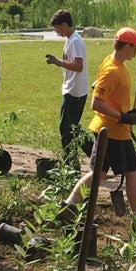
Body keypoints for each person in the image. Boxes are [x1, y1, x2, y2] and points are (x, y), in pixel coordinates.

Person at [63, 28, 136, 214]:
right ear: (127, 46)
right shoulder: (112, 69)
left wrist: (126, 114)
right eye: (135, 47)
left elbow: (98, 85)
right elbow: (96, 103)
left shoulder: (114, 62)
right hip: (113, 131)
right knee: (133, 173)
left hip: (109, 129)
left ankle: (69, 205)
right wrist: (121, 117)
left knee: (99, 174)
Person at [45, 9, 90, 161]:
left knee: (67, 129)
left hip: (75, 92)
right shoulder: (70, 40)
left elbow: (79, 66)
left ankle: (71, 163)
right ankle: (99, 157)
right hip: (73, 90)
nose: (56, 31)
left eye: (57, 27)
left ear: (64, 24)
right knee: (73, 128)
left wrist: (58, 62)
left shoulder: (75, 41)